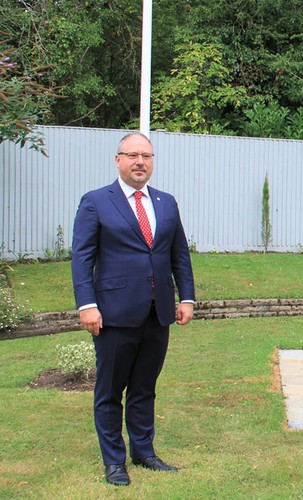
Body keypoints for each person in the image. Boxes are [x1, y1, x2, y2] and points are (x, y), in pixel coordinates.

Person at [71, 132, 196, 485]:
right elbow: (82, 258)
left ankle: (144, 452)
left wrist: (185, 297)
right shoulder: (96, 201)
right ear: (118, 160)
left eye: (147, 156)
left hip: (158, 313)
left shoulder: (166, 202)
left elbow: (179, 255)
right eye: (133, 155)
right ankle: (114, 461)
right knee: (110, 390)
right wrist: (87, 305)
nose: (140, 162)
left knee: (144, 386)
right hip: (113, 313)